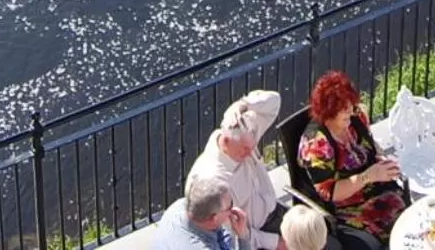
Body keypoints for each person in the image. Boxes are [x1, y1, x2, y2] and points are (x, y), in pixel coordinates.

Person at [297, 71, 405, 242]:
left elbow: (371, 145)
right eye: (344, 109)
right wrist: (369, 175)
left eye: (351, 106)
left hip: (378, 188)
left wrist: (382, 158)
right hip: (349, 207)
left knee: (413, 224)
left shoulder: (356, 116)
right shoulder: (317, 145)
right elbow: (330, 192)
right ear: (329, 112)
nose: (350, 112)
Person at [190, 90, 285, 250]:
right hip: (258, 236)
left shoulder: (244, 133)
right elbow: (233, 232)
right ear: (226, 141)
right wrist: (278, 243)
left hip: (275, 212)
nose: (250, 153)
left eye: (252, 147)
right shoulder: (215, 181)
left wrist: (244, 104)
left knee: (324, 237)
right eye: (244, 149)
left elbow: (274, 102)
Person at [157, 174, 251, 250]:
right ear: (214, 218)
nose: (233, 208)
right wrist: (243, 237)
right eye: (230, 205)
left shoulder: (179, 206)